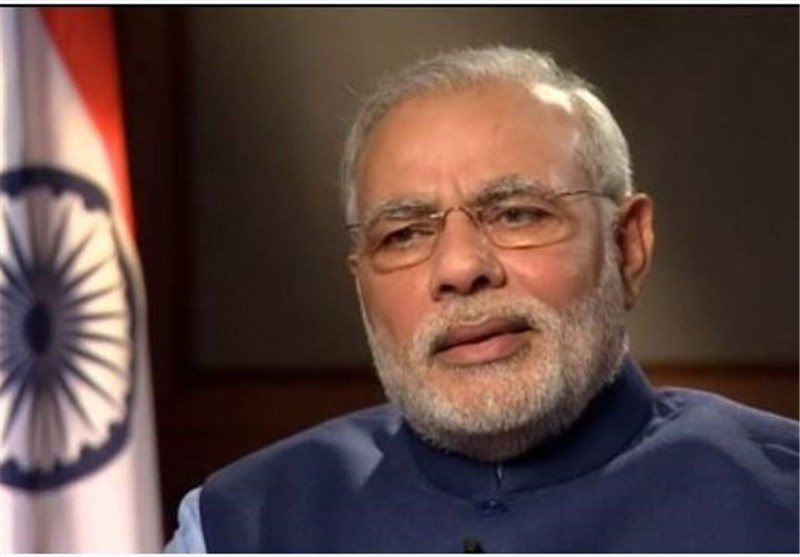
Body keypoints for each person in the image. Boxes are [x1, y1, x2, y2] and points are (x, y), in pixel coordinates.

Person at [165, 46, 798, 552]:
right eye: (404, 234)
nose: (460, 268)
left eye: (517, 214)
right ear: (362, 285)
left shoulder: (780, 502)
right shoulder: (239, 528)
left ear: (627, 246)